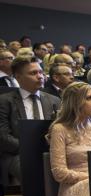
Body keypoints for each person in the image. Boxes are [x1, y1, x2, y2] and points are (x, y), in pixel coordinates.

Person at [0, 56, 60, 184]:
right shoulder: (5, 101)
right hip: (17, 153)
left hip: (51, 152)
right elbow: (3, 136)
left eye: (40, 72)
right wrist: (30, 148)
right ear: (18, 77)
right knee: (33, 170)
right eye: (33, 73)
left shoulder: (54, 101)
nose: (40, 76)